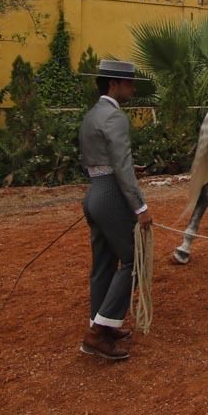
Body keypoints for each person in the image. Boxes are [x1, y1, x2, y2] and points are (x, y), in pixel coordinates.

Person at [78, 59, 153, 360]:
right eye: (129, 83)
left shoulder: (92, 115)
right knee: (134, 260)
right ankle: (97, 335)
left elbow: (98, 160)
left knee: (103, 264)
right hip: (111, 197)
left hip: (95, 192)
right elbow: (120, 167)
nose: (133, 88)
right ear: (113, 84)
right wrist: (141, 206)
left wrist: (119, 171)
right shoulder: (116, 117)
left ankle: (102, 323)